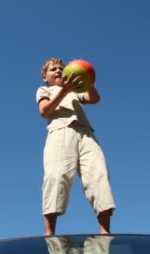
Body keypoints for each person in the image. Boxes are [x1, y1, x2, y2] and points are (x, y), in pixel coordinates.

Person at [35, 57, 116, 235]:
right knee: (57, 177)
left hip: (86, 134)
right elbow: (45, 111)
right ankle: (49, 234)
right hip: (60, 132)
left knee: (99, 176)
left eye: (61, 69)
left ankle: (105, 233)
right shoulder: (44, 90)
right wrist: (64, 90)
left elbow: (94, 98)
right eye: (53, 69)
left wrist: (87, 80)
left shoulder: (75, 92)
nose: (58, 71)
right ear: (44, 76)